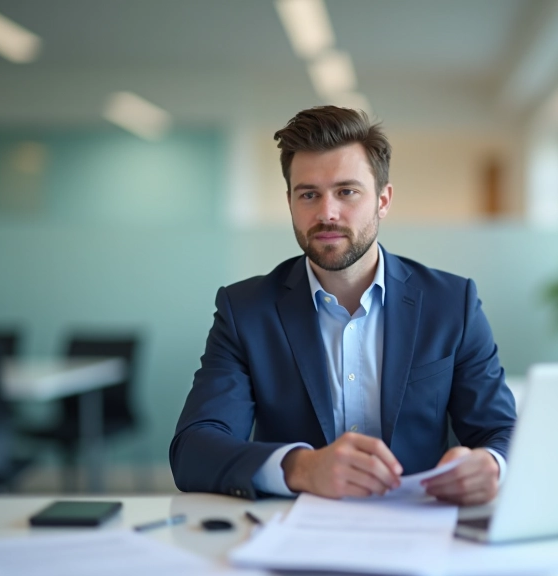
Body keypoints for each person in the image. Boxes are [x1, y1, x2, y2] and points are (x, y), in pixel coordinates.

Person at [170, 106, 516, 505]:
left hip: (419, 527)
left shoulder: (452, 304)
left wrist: (490, 465)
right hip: (293, 532)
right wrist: (301, 468)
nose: (326, 213)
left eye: (347, 191)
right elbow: (193, 450)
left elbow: (500, 431)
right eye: (309, 195)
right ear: (290, 203)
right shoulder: (246, 311)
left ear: (383, 200)